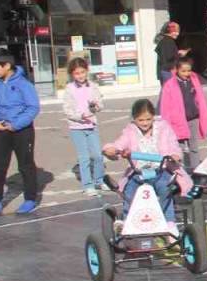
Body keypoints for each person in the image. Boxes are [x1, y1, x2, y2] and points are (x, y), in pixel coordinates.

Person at [103, 99, 192, 225]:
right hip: (138, 171)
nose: (145, 123)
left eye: (148, 119)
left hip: (161, 170)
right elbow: (120, 143)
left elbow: (173, 145)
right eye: (141, 120)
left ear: (153, 117)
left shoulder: (163, 128)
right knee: (130, 191)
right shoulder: (130, 131)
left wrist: (175, 155)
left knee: (165, 189)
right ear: (134, 119)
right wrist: (112, 149)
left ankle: (169, 223)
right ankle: (128, 223)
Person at [0, 51, 40, 215]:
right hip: (0, 131)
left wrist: (16, 124)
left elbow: (33, 107)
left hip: (22, 131)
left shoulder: (24, 84)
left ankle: (30, 198)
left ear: (7, 66)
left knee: (26, 165)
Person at [61, 57, 108, 196]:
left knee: (98, 156)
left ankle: (99, 181)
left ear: (87, 71)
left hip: (91, 125)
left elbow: (100, 104)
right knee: (84, 157)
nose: (80, 76)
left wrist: (96, 106)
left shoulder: (93, 86)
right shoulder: (69, 89)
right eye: (77, 73)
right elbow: (67, 110)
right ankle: (88, 185)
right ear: (72, 74)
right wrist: (80, 116)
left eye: (82, 72)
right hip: (77, 127)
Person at [159, 57, 207, 170]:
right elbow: (165, 106)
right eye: (183, 71)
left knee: (193, 146)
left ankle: (195, 169)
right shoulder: (170, 85)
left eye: (189, 70)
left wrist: (203, 114)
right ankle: (178, 170)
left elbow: (200, 99)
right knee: (178, 147)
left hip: (192, 118)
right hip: (177, 121)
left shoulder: (194, 81)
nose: (186, 73)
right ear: (177, 70)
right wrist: (166, 123)